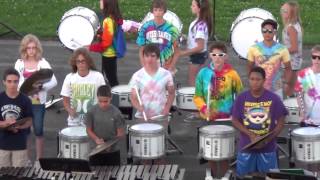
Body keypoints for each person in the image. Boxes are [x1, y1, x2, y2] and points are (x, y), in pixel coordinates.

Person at [193, 42, 243, 177]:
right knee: (212, 153)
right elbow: (197, 96)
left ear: (225, 56)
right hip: (209, 118)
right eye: (214, 55)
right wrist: (203, 108)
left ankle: (224, 175)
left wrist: (236, 112)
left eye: (220, 55)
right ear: (210, 56)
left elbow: (240, 96)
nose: (217, 58)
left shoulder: (233, 75)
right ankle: (214, 175)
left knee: (225, 153)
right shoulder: (203, 73)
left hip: (226, 119)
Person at [232, 67, 288, 177]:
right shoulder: (241, 98)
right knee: (243, 177)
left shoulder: (274, 98)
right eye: (252, 79)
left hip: (268, 148)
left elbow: (281, 122)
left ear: (264, 80)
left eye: (258, 79)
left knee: (270, 177)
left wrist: (267, 139)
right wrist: (250, 134)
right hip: (246, 147)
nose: (254, 82)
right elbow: (234, 120)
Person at [14, 34, 57, 161]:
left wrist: (42, 87)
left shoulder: (43, 63)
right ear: (24, 49)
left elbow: (53, 81)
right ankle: (25, 159)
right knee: (25, 131)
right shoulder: (19, 63)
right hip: (24, 102)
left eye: (33, 48)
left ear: (37, 48)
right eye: (29, 48)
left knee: (38, 130)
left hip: (38, 101)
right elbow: (15, 82)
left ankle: (39, 160)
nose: (31, 51)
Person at [130, 44, 175, 130]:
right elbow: (133, 97)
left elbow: (171, 93)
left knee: (162, 141)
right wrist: (138, 107)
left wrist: (167, 108)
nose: (149, 59)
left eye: (153, 56)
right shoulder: (137, 76)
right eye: (147, 56)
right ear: (143, 57)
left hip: (160, 116)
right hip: (142, 116)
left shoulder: (166, 74)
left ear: (158, 57)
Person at [247, 19, 292, 99]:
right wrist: (252, 82)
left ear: (275, 32)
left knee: (276, 110)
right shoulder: (253, 48)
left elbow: (288, 68)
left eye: (270, 31)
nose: (267, 33)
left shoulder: (283, 49)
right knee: (258, 110)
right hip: (258, 87)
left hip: (276, 87)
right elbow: (249, 67)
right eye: (264, 31)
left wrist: (287, 83)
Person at [61, 48, 105, 126]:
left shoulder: (98, 76)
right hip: (74, 121)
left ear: (88, 62)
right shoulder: (69, 77)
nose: (80, 64)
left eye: (83, 61)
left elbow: (104, 96)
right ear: (75, 63)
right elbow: (65, 99)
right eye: (78, 61)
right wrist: (70, 111)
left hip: (93, 119)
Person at [0, 68, 33, 167]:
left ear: (19, 82)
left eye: (15, 81)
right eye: (9, 81)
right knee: (3, 174)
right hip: (2, 144)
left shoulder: (25, 100)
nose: (12, 84)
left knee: (18, 174)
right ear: (4, 82)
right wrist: (4, 124)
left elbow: (29, 120)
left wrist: (19, 127)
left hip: (20, 145)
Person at [85, 85, 125, 166]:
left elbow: (120, 134)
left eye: (106, 101)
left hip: (112, 151)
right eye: (100, 101)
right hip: (95, 149)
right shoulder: (91, 112)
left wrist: (109, 144)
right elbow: (88, 129)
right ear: (97, 98)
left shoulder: (117, 113)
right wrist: (96, 139)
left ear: (111, 98)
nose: (103, 104)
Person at [136, 0, 180, 74]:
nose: (158, 13)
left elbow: (177, 51)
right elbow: (141, 50)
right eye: (155, 10)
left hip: (166, 66)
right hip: (149, 66)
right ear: (152, 11)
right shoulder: (145, 27)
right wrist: (144, 66)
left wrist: (171, 66)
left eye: (160, 10)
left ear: (164, 11)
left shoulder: (172, 29)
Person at [88, 0, 123, 87]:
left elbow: (106, 43)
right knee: (110, 77)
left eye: (102, 2)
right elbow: (110, 35)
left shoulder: (107, 21)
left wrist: (90, 47)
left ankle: (116, 98)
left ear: (107, 5)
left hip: (108, 55)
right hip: (112, 54)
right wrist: (101, 34)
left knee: (111, 80)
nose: (100, 3)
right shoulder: (114, 18)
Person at [179, 0, 212, 86]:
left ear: (200, 9)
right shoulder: (200, 22)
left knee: (193, 82)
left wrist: (182, 53)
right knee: (198, 81)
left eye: (193, 6)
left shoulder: (200, 25)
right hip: (199, 56)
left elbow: (200, 47)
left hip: (197, 57)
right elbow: (196, 38)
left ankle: (196, 99)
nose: (191, 7)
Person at [295, 45, 320, 126]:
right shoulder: (303, 74)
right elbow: (299, 94)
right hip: (309, 119)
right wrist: (302, 111)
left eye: (319, 58)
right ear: (311, 58)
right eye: (314, 57)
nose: (317, 60)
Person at [281, 1, 303, 89]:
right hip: (293, 62)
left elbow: (294, 48)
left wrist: (280, 51)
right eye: (282, 9)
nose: (282, 12)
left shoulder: (291, 28)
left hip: (291, 62)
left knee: (287, 87)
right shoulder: (294, 25)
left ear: (292, 14)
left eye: (285, 11)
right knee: (289, 86)